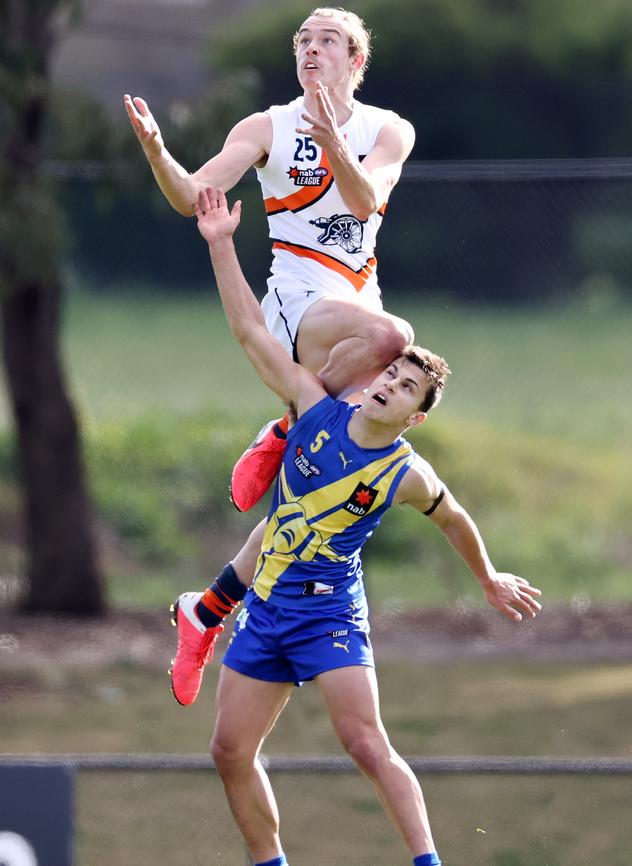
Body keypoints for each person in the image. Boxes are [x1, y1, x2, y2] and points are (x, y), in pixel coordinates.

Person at [171, 186, 543, 866]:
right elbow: (253, 332)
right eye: (392, 373)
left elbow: (454, 518)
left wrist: (487, 578)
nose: (389, 385)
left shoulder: (405, 472)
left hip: (329, 613)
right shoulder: (314, 408)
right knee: (229, 751)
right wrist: (221, 243)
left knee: (366, 743)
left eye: (405, 388)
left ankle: (427, 861)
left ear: (415, 416)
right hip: (269, 607)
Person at [124, 6, 416, 512]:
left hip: (358, 302)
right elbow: (192, 195)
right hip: (298, 301)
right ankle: (287, 424)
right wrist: (156, 153)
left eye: (327, 41)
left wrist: (334, 144)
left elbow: (365, 200)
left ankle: (220, 591)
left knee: (333, 476)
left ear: (355, 59)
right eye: (304, 40)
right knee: (394, 338)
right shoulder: (268, 127)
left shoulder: (390, 129)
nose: (311, 49)